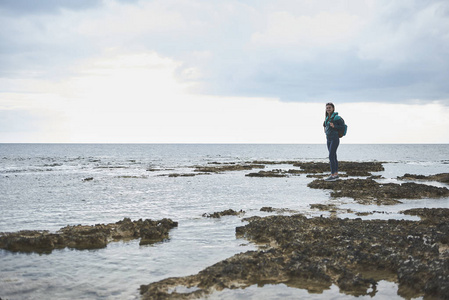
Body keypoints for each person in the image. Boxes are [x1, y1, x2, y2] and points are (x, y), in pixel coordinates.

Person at [323, 102, 344, 181]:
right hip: (328, 139)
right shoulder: (327, 117)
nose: (328, 109)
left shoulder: (337, 117)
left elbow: (342, 126)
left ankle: (333, 175)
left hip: (335, 138)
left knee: (331, 156)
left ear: (333, 108)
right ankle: (335, 174)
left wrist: (334, 126)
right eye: (327, 108)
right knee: (333, 156)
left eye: (329, 108)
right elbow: (325, 125)